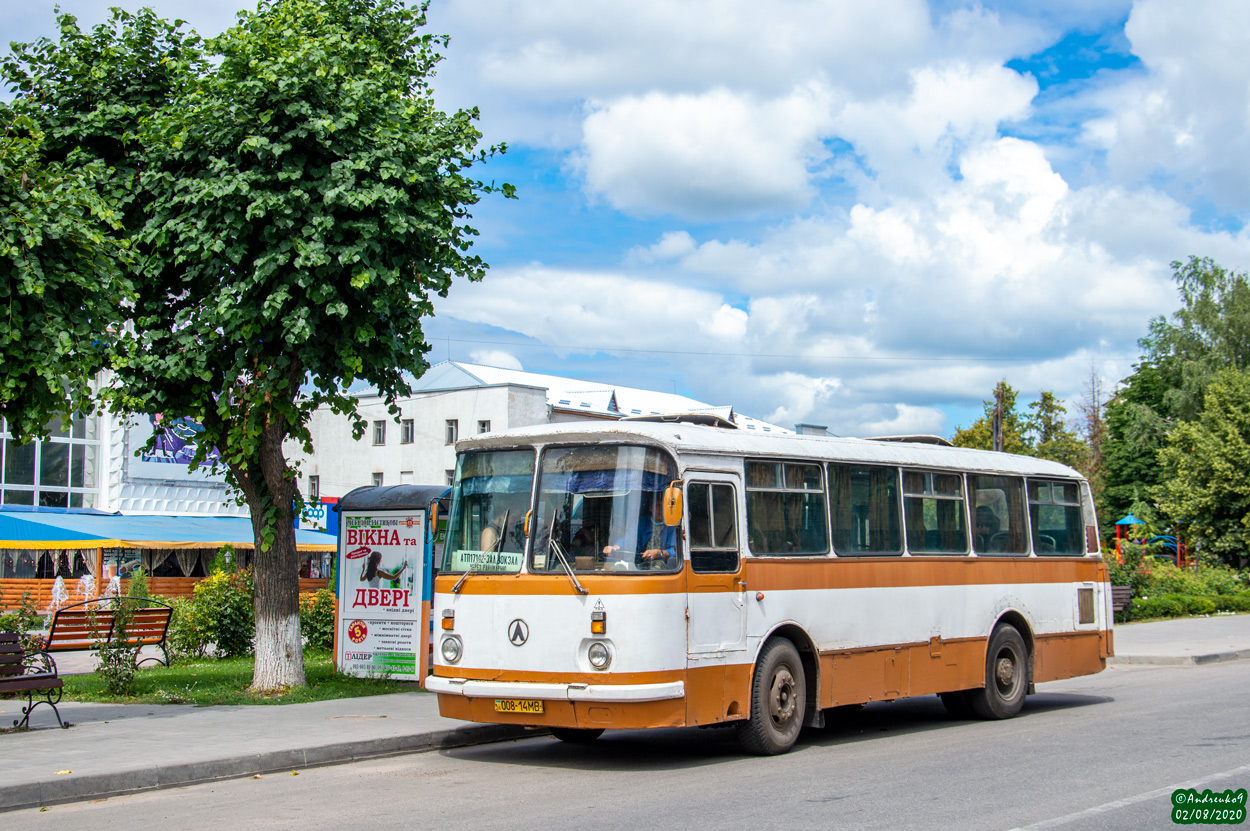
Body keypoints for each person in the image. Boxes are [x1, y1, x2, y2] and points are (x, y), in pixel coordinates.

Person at [602, 493, 678, 569]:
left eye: (663, 506)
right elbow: (628, 539)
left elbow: (676, 551)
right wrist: (614, 547)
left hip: (663, 566)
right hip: (640, 564)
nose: (661, 509)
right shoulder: (641, 523)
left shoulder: (672, 525)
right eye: (657, 505)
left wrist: (659, 553)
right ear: (651, 508)